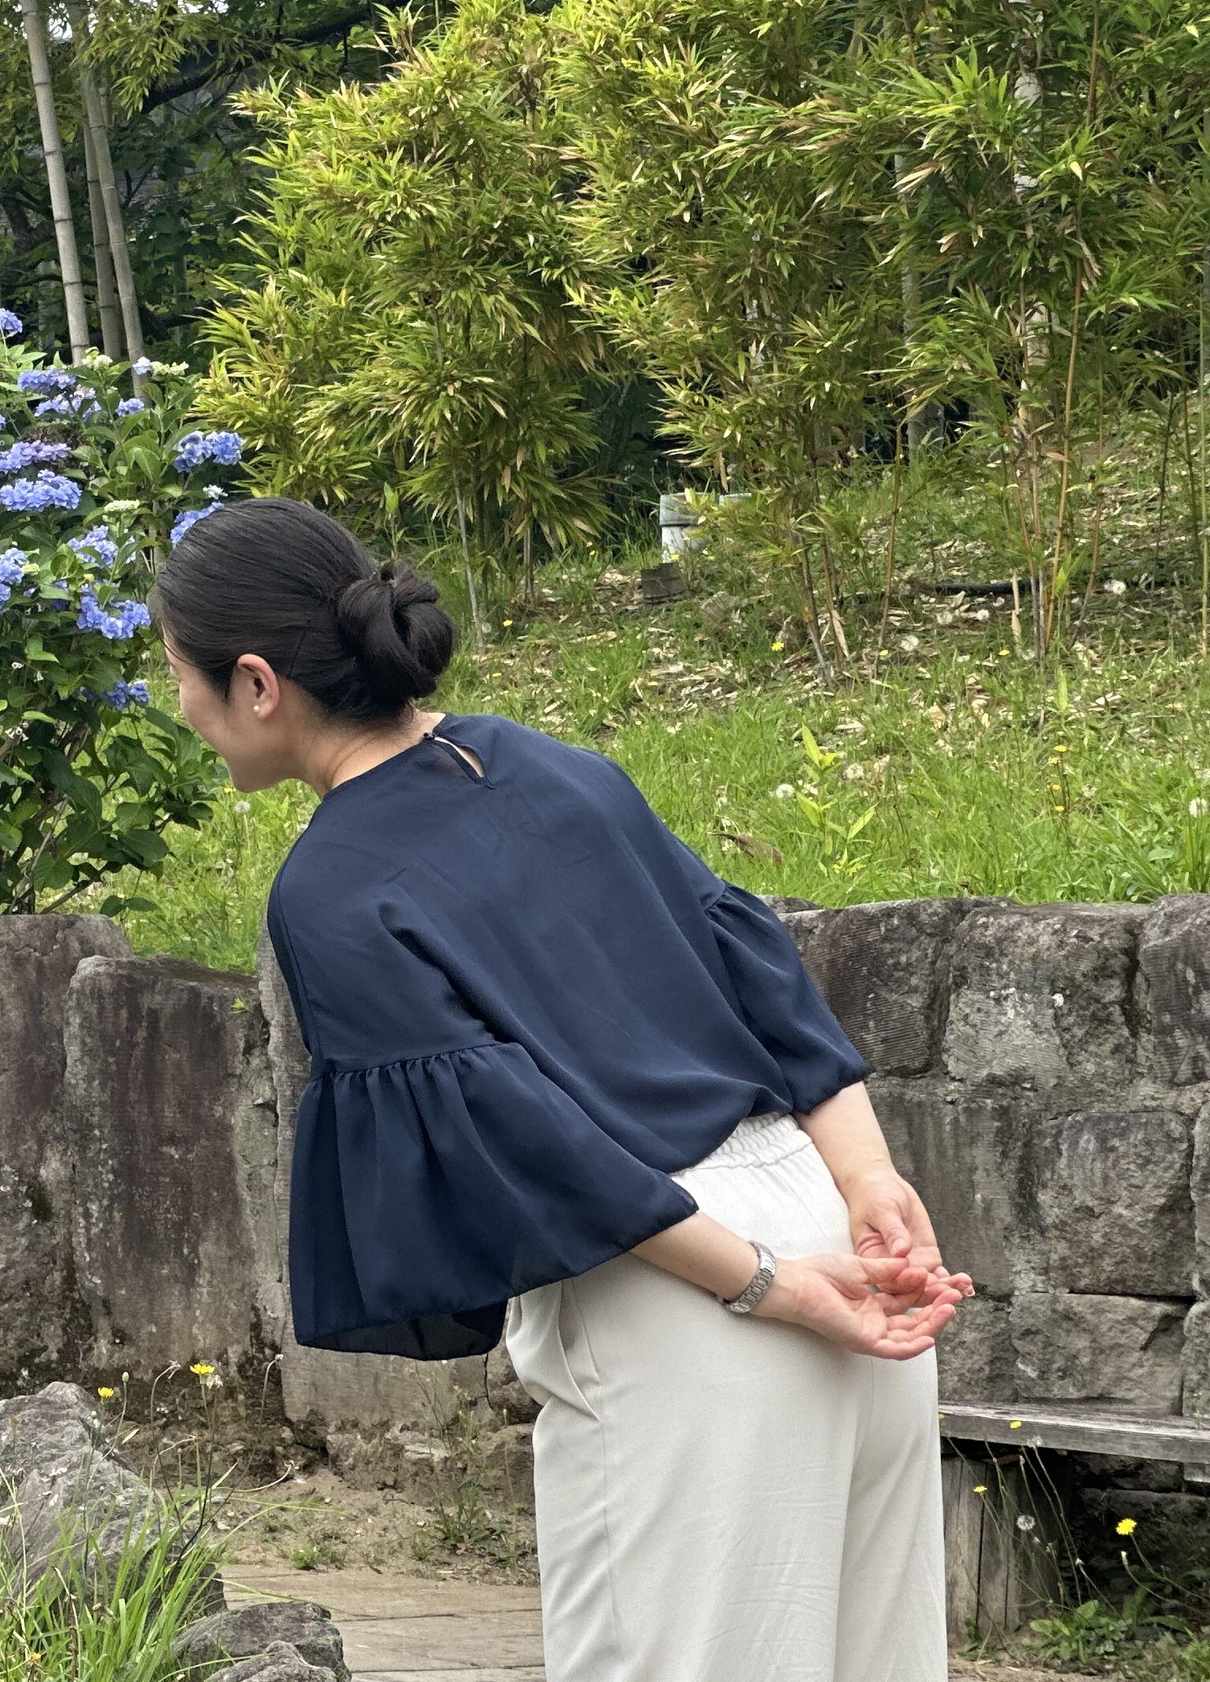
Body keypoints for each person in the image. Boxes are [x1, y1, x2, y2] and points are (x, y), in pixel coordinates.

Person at [151, 497, 972, 1682]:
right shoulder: (549, 767)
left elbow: (522, 1141)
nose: (177, 707)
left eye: (175, 675)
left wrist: (767, 1287)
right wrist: (866, 1174)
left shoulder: (329, 890)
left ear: (255, 682)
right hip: (825, 1219)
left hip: (683, 1285)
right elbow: (747, 958)